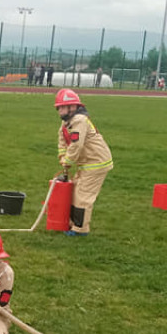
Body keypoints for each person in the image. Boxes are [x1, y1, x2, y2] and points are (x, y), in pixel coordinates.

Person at [54, 89, 113, 236]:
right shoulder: (66, 123)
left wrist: (68, 160)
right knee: (74, 191)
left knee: (83, 196)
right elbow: (62, 141)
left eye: (63, 107)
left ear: (73, 107)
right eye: (58, 107)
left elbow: (76, 144)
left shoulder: (79, 121)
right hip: (86, 163)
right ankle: (73, 224)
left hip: (96, 163)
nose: (60, 110)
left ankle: (80, 230)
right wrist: (62, 158)